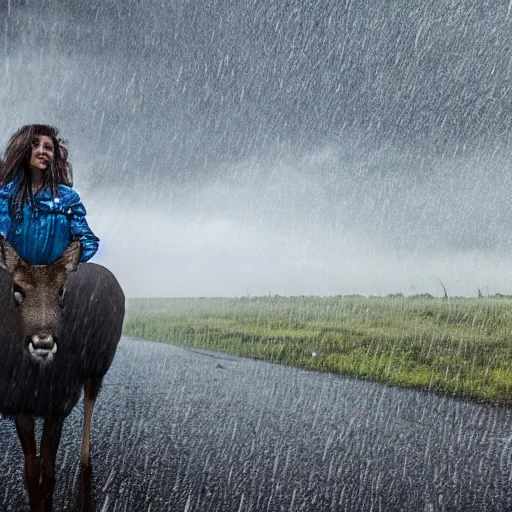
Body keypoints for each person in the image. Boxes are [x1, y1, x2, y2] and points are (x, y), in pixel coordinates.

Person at [0, 124, 99, 265]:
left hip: (55, 279)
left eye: (48, 147)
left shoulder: (68, 198)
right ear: (23, 149)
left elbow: (87, 240)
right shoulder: (6, 195)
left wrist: (64, 265)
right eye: (35, 145)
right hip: (16, 278)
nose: (42, 151)